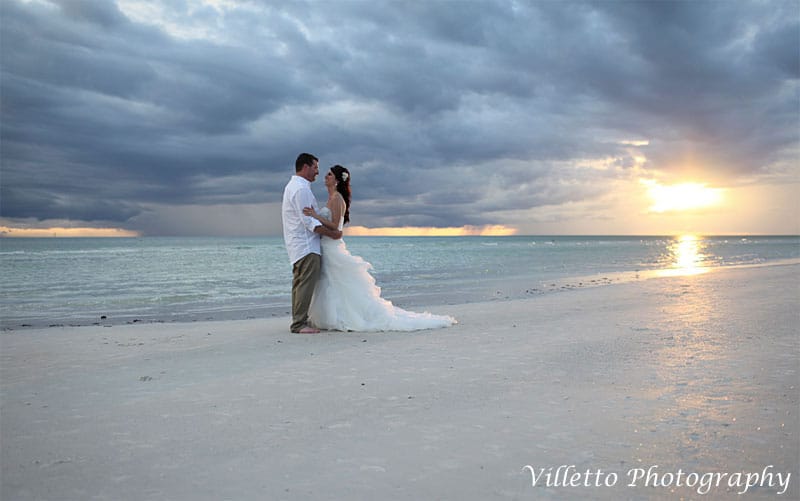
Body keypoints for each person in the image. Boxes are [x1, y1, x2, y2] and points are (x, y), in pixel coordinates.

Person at [303, 165, 456, 331]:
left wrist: (315, 216)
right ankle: (331, 316)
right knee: (329, 283)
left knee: (337, 282)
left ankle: (343, 316)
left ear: (338, 180)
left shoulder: (337, 198)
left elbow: (335, 227)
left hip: (332, 247)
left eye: (329, 174)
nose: (325, 176)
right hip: (326, 245)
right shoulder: (332, 198)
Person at [282, 153, 342, 333]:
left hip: (298, 244)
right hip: (306, 245)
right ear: (306, 167)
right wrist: (333, 234)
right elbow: (309, 223)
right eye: (315, 167)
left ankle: (299, 320)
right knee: (305, 284)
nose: (318, 172)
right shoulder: (301, 190)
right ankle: (299, 323)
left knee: (300, 284)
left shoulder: (294, 187)